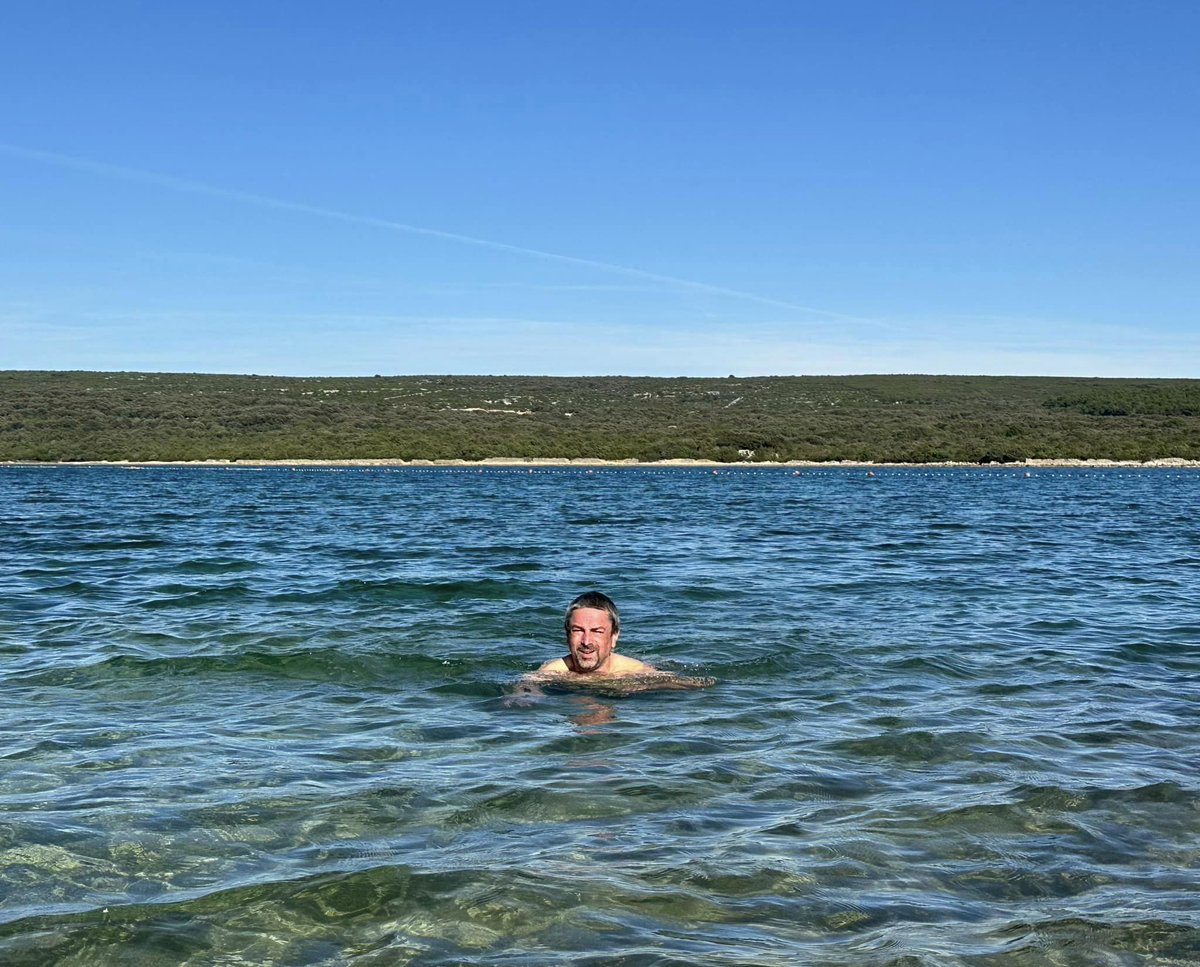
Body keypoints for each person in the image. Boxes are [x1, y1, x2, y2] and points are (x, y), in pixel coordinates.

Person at [536, 591, 654, 678]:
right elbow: (526, 691)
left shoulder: (639, 673)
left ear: (614, 637)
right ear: (567, 635)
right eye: (578, 630)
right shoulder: (550, 674)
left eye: (597, 631)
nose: (586, 642)